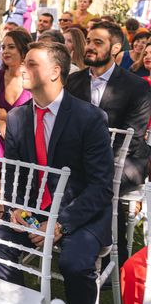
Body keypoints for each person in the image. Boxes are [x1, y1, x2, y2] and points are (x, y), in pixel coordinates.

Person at [0, 42, 114, 304]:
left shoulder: (90, 118)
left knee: (74, 263)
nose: (22, 68)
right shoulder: (18, 117)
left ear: (55, 71)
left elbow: (101, 186)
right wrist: (16, 208)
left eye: (32, 64)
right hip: (36, 210)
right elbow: (13, 171)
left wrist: (59, 224)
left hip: (80, 213)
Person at [65, 21, 151, 271]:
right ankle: (83, 244)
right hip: (83, 158)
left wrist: (89, 160)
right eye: (88, 41)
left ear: (115, 49)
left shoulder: (136, 86)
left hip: (128, 160)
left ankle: (109, 254)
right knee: (75, 176)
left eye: (97, 42)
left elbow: (132, 137)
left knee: (100, 181)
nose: (89, 46)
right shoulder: (73, 82)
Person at [0, 30, 33, 158]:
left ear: (24, 51)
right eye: (3, 47)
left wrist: (7, 118)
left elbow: (35, 123)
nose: (5, 51)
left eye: (11, 47)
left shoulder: (33, 81)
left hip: (23, 143)